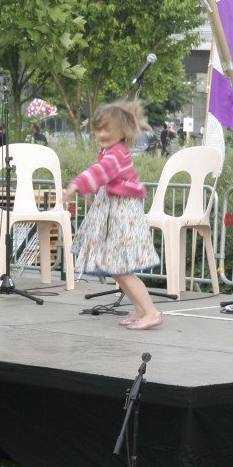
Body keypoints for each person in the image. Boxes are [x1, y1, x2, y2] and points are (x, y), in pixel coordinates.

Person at [64, 101, 162, 330]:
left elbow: (100, 171)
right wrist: (90, 191)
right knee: (116, 270)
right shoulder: (109, 152)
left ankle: (151, 312)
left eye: (106, 129)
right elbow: (103, 177)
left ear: (122, 132)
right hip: (113, 215)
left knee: (122, 270)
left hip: (121, 218)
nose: (101, 134)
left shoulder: (117, 154)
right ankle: (141, 311)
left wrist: (76, 186)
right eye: (98, 129)